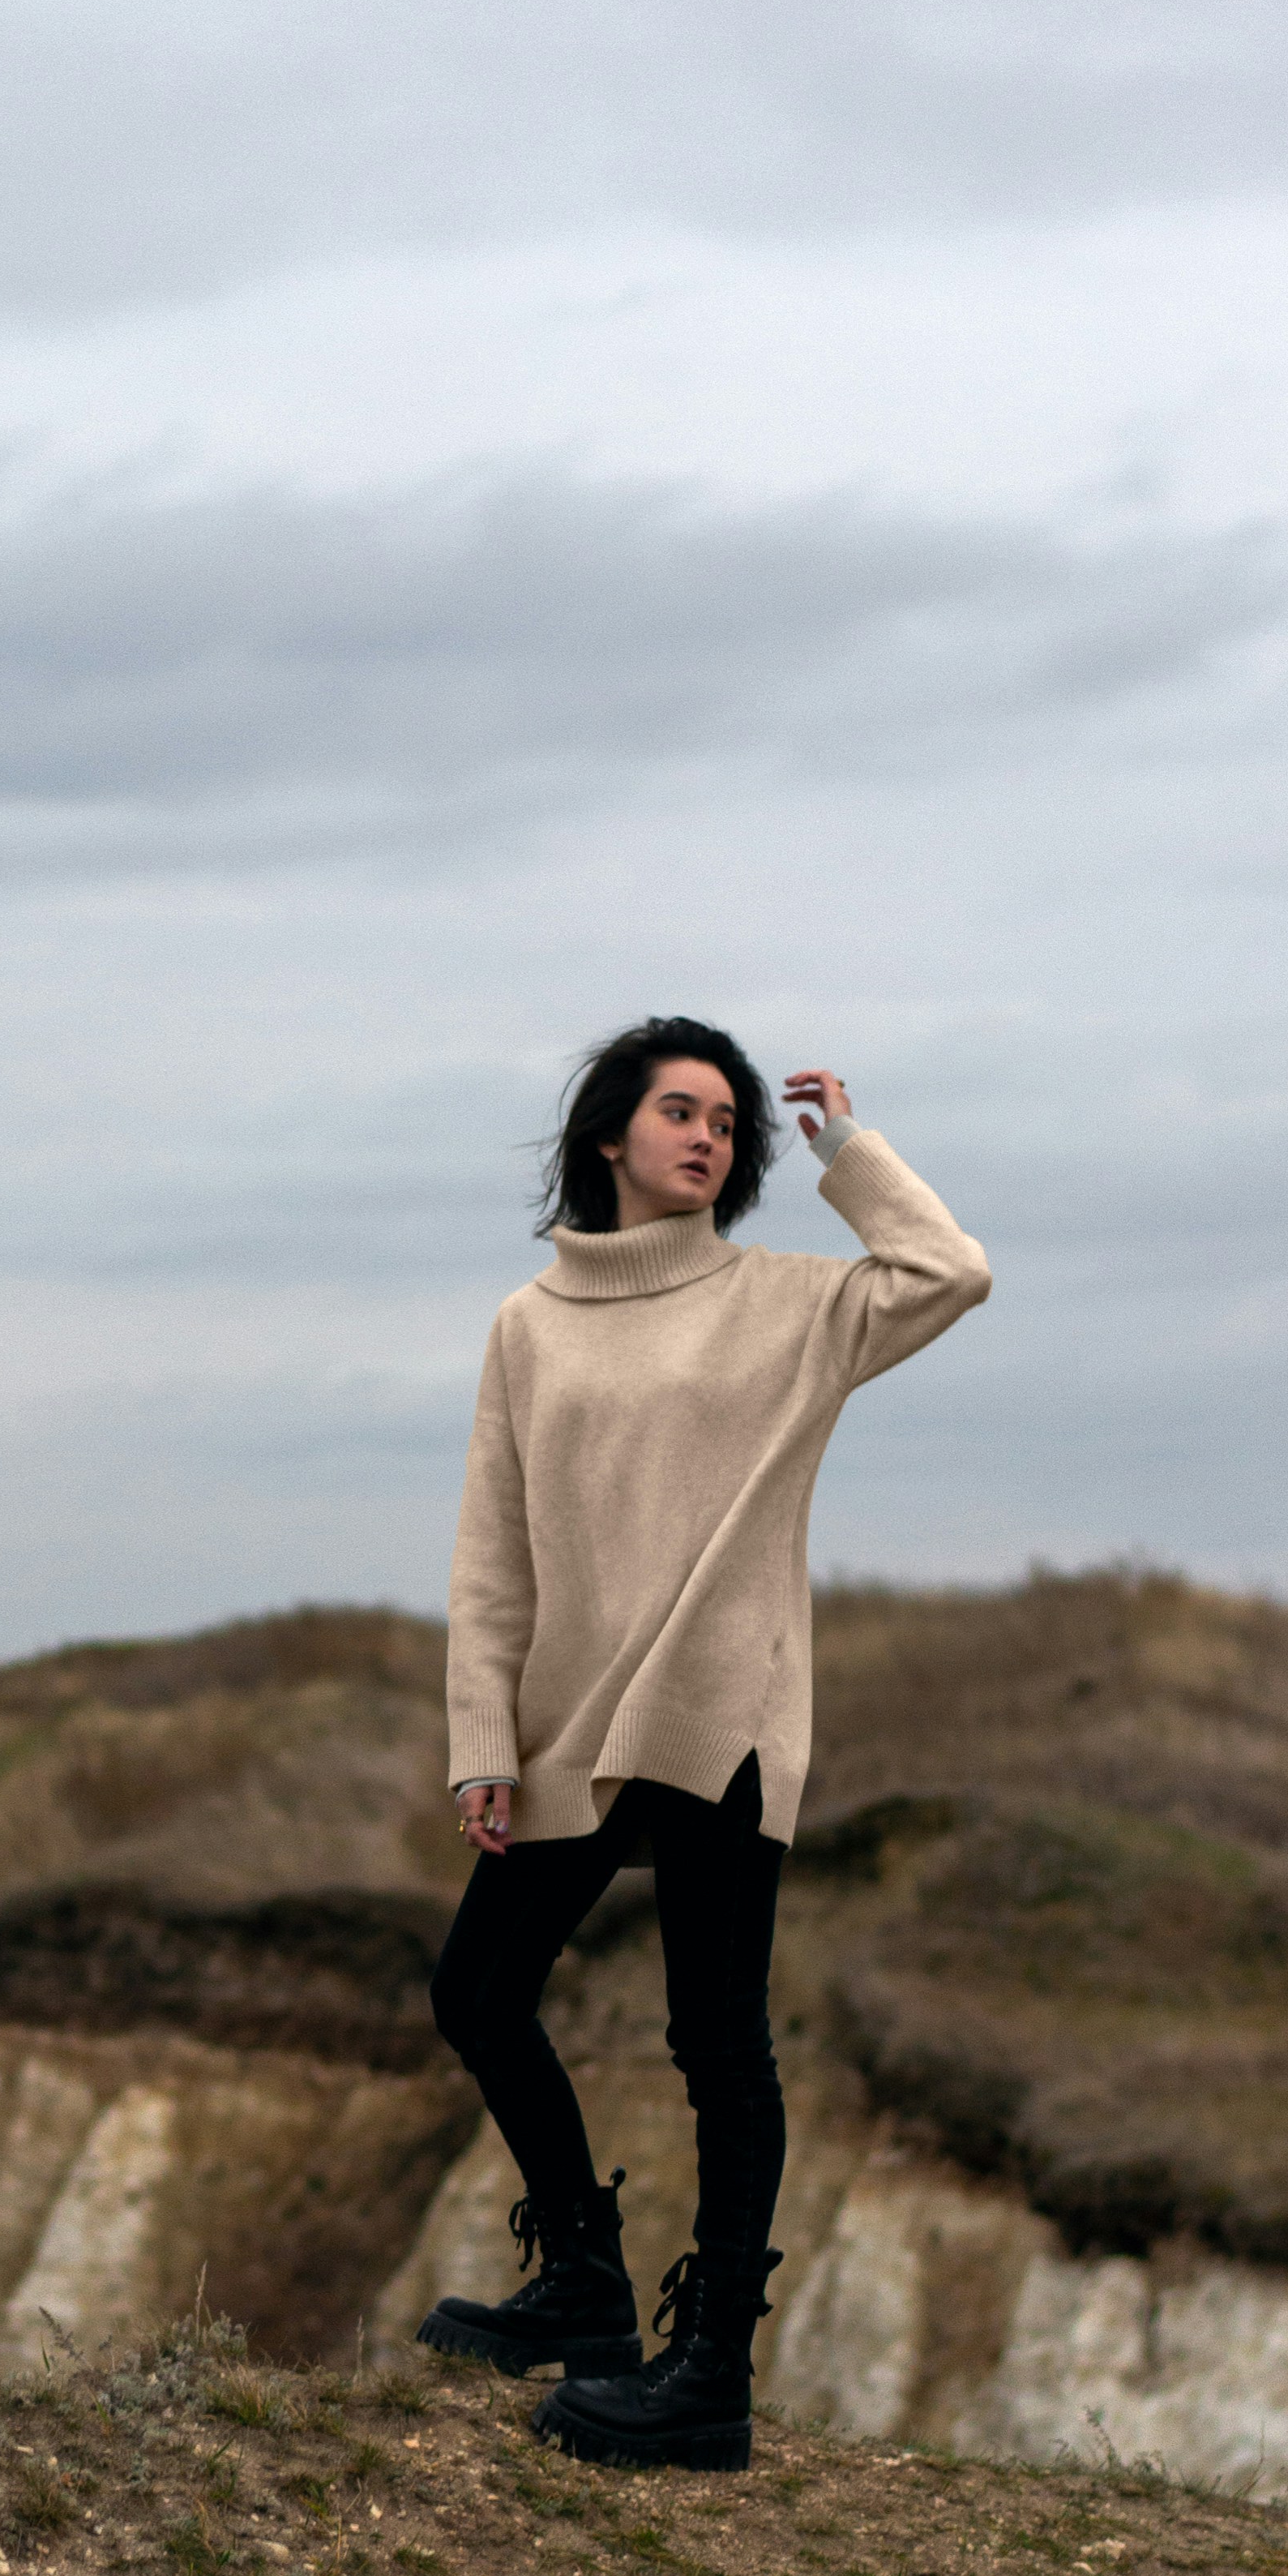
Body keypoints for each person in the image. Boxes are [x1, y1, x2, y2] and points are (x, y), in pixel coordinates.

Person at [419, 1018, 990, 2471]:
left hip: (718, 1704)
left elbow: (949, 1273)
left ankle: (710, 2373)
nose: (710, 1137)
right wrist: (484, 1735)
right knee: (478, 1992)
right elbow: (493, 1552)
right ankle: (588, 2282)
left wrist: (846, 1153)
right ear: (610, 1132)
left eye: (729, 1124)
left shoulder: (789, 1306)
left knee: (716, 2039)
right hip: (570, 1715)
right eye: (682, 1112)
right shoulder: (527, 1325)